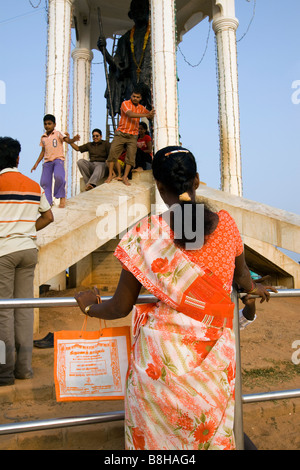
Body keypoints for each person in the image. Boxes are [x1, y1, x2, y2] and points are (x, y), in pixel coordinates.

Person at [74, 146, 276, 450]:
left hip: (160, 365)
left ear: (159, 186)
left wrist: (90, 305)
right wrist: (253, 288)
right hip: (214, 361)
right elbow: (243, 277)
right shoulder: (227, 226)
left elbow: (120, 307)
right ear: (196, 181)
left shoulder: (144, 235)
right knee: (212, 433)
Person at [0, 137, 54, 386]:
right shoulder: (32, 185)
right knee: (23, 309)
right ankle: (24, 370)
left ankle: (4, 372)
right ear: (18, 159)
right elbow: (48, 216)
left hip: (3, 253)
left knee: (3, 313)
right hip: (28, 250)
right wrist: (26, 230)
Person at [97, 0, 151, 117]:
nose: (140, 12)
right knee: (129, 118)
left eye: (143, 8)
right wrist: (104, 50)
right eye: (137, 10)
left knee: (155, 115)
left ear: (149, 11)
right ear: (131, 15)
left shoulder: (157, 34)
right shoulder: (125, 39)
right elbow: (117, 67)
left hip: (152, 81)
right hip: (132, 84)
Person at [105, 88, 154, 186]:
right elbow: (130, 114)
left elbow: (149, 116)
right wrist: (146, 114)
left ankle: (125, 177)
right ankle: (110, 175)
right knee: (113, 154)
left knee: (131, 157)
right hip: (121, 133)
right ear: (131, 96)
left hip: (133, 136)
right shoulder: (125, 103)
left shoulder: (141, 107)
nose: (135, 98)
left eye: (137, 97)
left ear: (140, 98)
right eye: (134, 96)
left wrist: (151, 113)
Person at [31, 114, 79, 208]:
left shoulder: (58, 133)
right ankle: (48, 202)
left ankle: (61, 197)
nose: (47, 126)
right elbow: (43, 151)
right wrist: (36, 164)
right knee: (44, 182)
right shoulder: (43, 137)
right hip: (47, 162)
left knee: (59, 177)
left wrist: (73, 139)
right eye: (45, 124)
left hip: (58, 160)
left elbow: (67, 140)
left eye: (49, 123)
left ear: (54, 124)